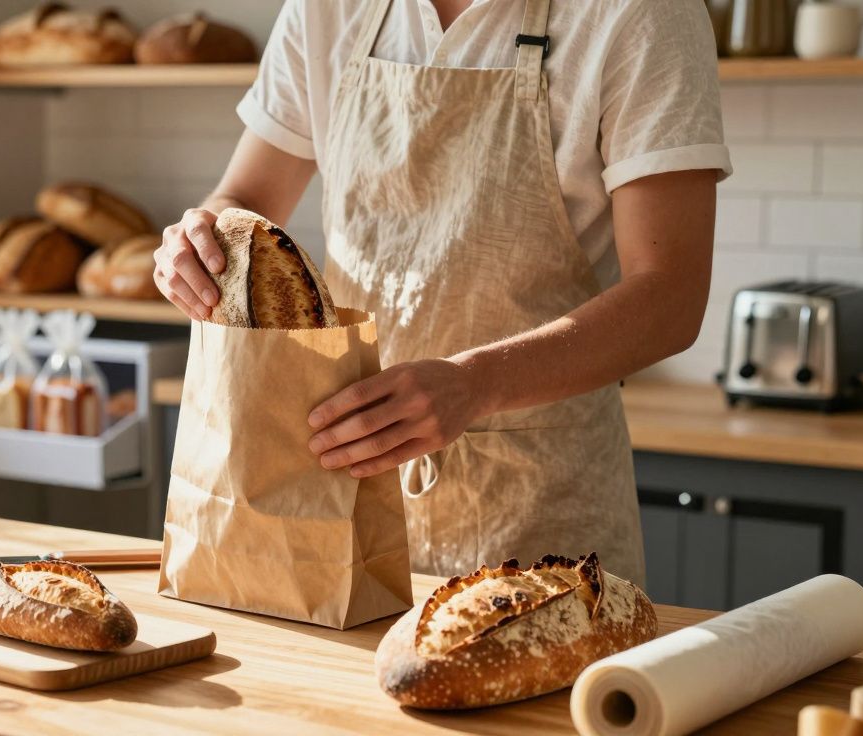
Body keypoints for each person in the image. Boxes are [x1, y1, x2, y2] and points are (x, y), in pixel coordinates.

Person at [152, 0, 731, 585]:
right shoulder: (325, 8)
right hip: (345, 492)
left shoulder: (643, 13)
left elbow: (671, 296)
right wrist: (200, 243)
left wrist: (476, 383)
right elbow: (244, 197)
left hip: (539, 515)